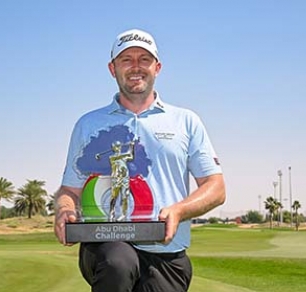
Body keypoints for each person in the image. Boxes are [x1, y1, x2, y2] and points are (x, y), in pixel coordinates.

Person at [55, 28, 226, 292]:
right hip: (104, 244)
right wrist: (64, 210)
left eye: (144, 59)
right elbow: (69, 190)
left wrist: (179, 210)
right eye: (126, 59)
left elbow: (215, 187)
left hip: (165, 252)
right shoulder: (89, 124)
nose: (136, 67)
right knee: (118, 263)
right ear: (113, 69)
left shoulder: (186, 121)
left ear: (157, 67)